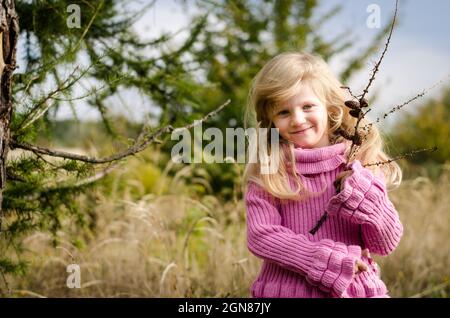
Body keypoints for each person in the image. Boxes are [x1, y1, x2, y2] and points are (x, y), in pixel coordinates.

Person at [243, 52, 404, 298]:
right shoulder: (270, 172)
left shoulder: (358, 164)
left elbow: (384, 244)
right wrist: (320, 259)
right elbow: (261, 235)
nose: (298, 120)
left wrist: (369, 200)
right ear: (271, 121)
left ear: (329, 107)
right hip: (287, 292)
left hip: (357, 292)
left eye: (307, 106)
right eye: (283, 112)